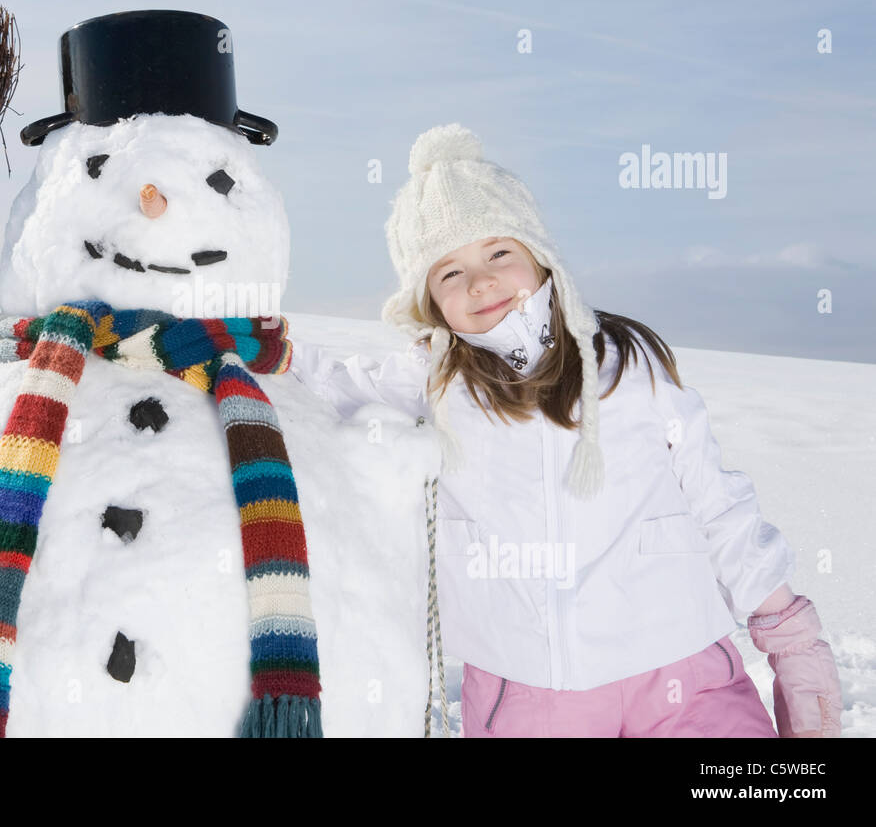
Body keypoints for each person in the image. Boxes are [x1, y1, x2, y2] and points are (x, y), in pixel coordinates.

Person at [289, 123, 843, 737]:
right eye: (448, 273)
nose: (479, 281)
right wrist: (263, 351)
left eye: (498, 252)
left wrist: (789, 634)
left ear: (539, 257)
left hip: (682, 674)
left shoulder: (629, 365)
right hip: (527, 693)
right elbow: (327, 383)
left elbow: (718, 503)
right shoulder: (434, 383)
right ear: (429, 302)